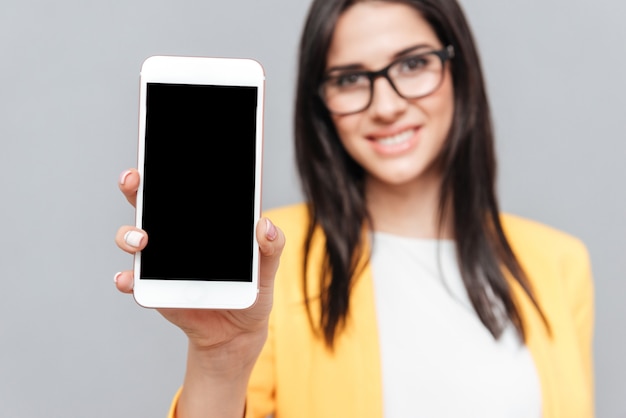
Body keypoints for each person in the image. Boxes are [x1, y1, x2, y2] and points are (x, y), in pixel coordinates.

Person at [114, 0, 595, 417]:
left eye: (413, 65)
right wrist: (220, 355)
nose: (385, 105)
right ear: (321, 103)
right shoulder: (270, 256)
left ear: (459, 70)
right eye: (349, 79)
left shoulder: (558, 262)